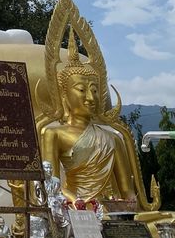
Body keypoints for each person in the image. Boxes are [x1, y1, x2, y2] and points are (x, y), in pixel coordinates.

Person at [40, 31, 135, 204]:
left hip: (109, 210)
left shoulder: (113, 138)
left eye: (94, 90)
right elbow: (51, 187)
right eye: (82, 90)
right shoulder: (54, 134)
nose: (91, 98)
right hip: (75, 207)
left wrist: (129, 209)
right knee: (81, 221)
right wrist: (76, 201)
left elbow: (128, 193)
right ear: (65, 96)